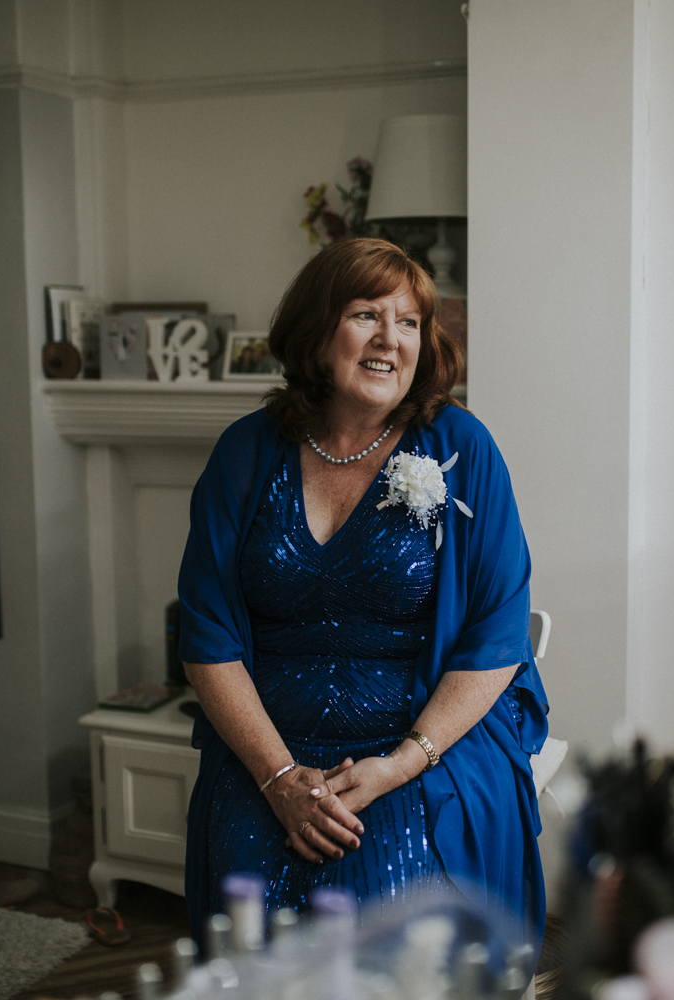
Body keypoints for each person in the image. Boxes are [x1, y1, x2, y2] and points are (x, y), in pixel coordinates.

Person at [177, 238, 549, 952]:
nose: (390, 339)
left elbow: (496, 639)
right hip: (272, 754)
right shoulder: (244, 454)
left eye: (408, 322)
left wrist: (401, 764)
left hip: (415, 748)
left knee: (382, 905)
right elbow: (208, 636)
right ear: (318, 332)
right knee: (250, 902)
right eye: (366, 315)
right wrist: (281, 777)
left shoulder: (462, 449)